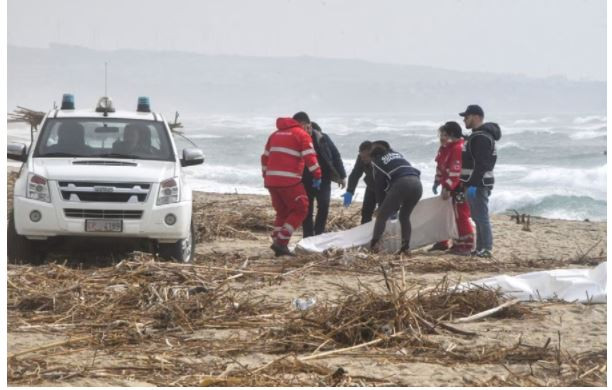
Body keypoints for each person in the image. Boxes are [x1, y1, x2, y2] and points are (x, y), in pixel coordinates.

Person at [261, 117, 322, 256]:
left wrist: (266, 175)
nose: (309, 130)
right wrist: (317, 175)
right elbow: (310, 157)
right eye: (308, 127)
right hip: (289, 181)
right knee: (301, 208)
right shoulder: (301, 135)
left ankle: (277, 240)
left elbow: (264, 157)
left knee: (282, 211)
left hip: (271, 180)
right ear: (304, 124)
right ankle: (281, 243)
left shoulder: (274, 134)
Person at [292, 112, 347, 237]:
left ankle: (319, 234)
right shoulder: (295, 139)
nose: (298, 130)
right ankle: (307, 236)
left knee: (323, 205)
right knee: (306, 209)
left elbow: (335, 155)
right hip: (304, 179)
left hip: (323, 178)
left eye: (300, 127)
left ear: (308, 125)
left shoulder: (322, 137)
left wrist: (342, 176)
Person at [459, 104, 502, 258]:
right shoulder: (477, 136)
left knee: (481, 217)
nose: (464, 119)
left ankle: (486, 248)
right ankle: (480, 248)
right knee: (477, 217)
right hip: (476, 183)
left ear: (476, 117)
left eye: (467, 116)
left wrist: (472, 185)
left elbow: (481, 164)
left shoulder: (481, 137)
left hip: (479, 184)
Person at [429, 122, 475, 255]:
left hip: (459, 188)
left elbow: (456, 171)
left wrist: (448, 187)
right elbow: (440, 166)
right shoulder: (445, 148)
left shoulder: (458, 148)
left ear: (452, 135)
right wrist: (437, 181)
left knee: (461, 214)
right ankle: (443, 241)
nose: (442, 137)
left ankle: (466, 245)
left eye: (445, 135)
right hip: (448, 185)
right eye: (441, 135)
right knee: (445, 214)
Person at [369, 141, 422, 254]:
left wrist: (380, 206)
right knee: (404, 216)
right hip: (417, 184)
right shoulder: (397, 154)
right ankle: (405, 247)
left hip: (402, 184)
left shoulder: (378, 162)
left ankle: (374, 245)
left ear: (374, 157)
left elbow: (379, 186)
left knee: (381, 216)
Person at [343, 141, 377, 224]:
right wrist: (350, 191)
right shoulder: (361, 158)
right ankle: (365, 232)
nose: (362, 159)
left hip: (385, 188)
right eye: (361, 156)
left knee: (385, 212)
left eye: (365, 157)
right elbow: (355, 174)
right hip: (371, 185)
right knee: (366, 212)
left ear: (371, 154)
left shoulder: (381, 158)